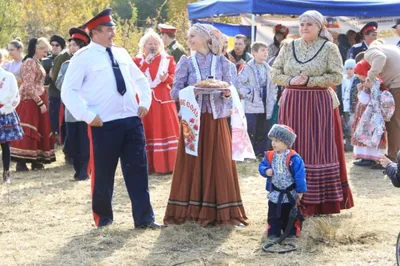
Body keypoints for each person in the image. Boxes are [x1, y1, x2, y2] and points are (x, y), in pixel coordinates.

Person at [61, 8, 162, 229]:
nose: (113, 34)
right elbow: (68, 92)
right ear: (95, 32)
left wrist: (145, 102)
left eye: (113, 29)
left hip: (132, 121)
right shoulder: (82, 57)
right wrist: (88, 116)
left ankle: (145, 219)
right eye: (109, 30)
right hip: (104, 123)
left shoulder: (122, 53)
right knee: (103, 175)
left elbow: (141, 80)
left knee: (138, 171)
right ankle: (104, 220)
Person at [271, 10, 354, 216]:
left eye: (309, 24)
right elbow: (274, 73)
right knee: (292, 146)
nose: (304, 28)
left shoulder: (329, 48)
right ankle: (288, 199)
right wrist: (290, 81)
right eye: (302, 24)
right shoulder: (288, 46)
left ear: (319, 27)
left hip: (318, 104)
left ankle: (319, 202)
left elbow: (337, 76)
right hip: (292, 103)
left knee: (318, 147)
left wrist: (310, 81)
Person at [164, 23, 248, 226]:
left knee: (218, 162)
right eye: (189, 36)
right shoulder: (185, 62)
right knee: (192, 161)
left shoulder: (223, 63)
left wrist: (227, 93)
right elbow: (174, 92)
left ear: (206, 38)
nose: (189, 39)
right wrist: (192, 90)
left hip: (216, 120)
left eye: (193, 35)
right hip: (193, 121)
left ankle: (222, 212)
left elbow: (234, 92)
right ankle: (189, 210)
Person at [133, 29, 179, 174]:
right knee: (146, 130)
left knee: (165, 128)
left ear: (160, 45)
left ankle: (167, 164)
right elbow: (133, 77)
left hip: (162, 99)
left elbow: (175, 77)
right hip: (144, 99)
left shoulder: (168, 59)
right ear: (143, 46)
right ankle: (147, 165)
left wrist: (167, 79)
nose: (152, 46)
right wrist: (146, 64)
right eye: (149, 44)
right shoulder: (136, 61)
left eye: (155, 43)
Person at [10, 38, 56, 171]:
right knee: (28, 130)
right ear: (36, 48)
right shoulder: (29, 62)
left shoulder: (36, 62)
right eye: (44, 50)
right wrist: (40, 102)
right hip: (30, 100)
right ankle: (22, 161)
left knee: (39, 128)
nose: (45, 53)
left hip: (38, 97)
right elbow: (29, 86)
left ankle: (35, 159)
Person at [259, 124, 306, 238]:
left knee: (289, 214)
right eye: (273, 140)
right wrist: (266, 171)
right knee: (273, 214)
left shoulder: (294, 158)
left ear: (286, 143)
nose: (273, 143)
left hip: (289, 194)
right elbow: (261, 166)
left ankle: (290, 232)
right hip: (275, 193)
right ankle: (273, 232)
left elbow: (300, 175)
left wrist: (300, 191)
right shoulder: (270, 156)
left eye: (277, 141)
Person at [56, 27, 91, 181]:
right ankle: (78, 169)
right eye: (70, 45)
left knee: (85, 140)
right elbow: (58, 83)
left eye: (75, 45)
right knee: (73, 140)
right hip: (71, 111)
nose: (72, 48)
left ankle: (84, 169)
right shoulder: (65, 65)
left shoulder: (90, 63)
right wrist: (69, 81)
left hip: (87, 108)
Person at [351, 60, 394, 168]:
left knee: (367, 134)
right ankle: (369, 157)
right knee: (371, 135)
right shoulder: (376, 82)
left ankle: (368, 158)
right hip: (373, 116)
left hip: (369, 116)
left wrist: (360, 91)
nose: (358, 76)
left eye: (359, 73)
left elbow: (364, 100)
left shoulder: (369, 83)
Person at [238, 41, 277, 157]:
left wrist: (273, 97)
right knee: (251, 128)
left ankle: (261, 152)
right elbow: (240, 83)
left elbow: (274, 85)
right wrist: (249, 94)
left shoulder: (269, 69)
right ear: (254, 53)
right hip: (253, 103)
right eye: (262, 50)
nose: (266, 53)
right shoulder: (247, 68)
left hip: (266, 101)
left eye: (266, 51)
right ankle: (250, 152)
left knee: (264, 128)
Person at [363, 42, 400, 162]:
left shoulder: (370, 52)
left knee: (393, 122)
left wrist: (370, 77)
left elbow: (380, 58)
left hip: (397, 85)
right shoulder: (391, 47)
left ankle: (393, 158)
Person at [0, 49, 24, 183]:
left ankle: (6, 173)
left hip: (5, 113)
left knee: (5, 145)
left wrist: (5, 108)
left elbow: (15, 96)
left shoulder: (8, 77)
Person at [42, 35, 66, 141]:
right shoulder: (46, 60)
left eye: (57, 45)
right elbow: (44, 81)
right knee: (53, 117)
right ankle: (54, 136)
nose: (54, 47)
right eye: (52, 45)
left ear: (62, 47)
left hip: (65, 94)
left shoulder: (66, 58)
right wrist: (48, 75)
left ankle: (64, 136)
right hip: (53, 93)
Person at [336, 59, 359, 152]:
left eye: (351, 68)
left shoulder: (356, 79)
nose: (349, 71)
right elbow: (340, 93)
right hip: (344, 106)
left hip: (353, 106)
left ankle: (354, 144)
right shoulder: (342, 80)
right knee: (346, 124)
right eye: (347, 68)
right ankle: (348, 144)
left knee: (352, 124)